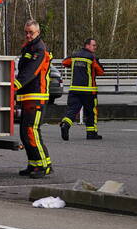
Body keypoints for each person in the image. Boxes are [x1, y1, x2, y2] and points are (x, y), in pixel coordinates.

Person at [14, 19, 53, 178]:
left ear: (38, 32)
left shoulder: (39, 49)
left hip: (36, 96)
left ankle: (44, 165)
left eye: (31, 32)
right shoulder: (29, 47)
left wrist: (14, 86)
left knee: (31, 131)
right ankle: (34, 164)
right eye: (26, 32)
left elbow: (31, 72)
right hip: (28, 97)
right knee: (25, 133)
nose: (28, 35)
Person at [60, 38, 105, 141]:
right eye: (93, 45)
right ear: (87, 46)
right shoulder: (92, 57)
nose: (95, 47)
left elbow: (65, 63)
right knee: (91, 113)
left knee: (72, 110)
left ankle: (65, 125)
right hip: (88, 91)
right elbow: (101, 71)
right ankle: (91, 133)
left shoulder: (74, 55)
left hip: (74, 90)